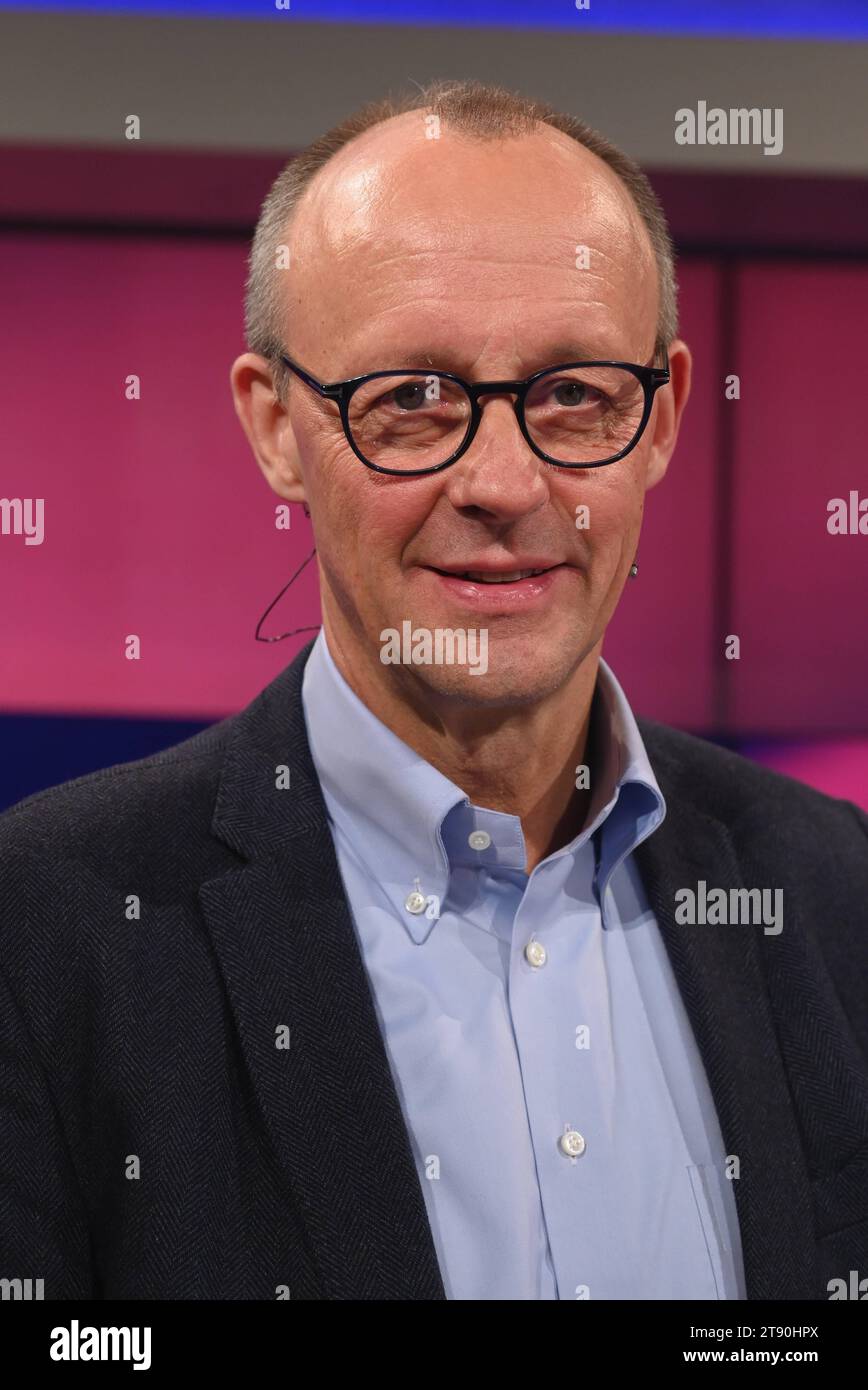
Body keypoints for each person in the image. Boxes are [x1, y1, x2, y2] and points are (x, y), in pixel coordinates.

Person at [2, 80, 867, 1302]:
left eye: (574, 393)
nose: (504, 483)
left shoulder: (829, 884)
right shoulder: (48, 928)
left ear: (663, 416)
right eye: (412, 399)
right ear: (277, 428)